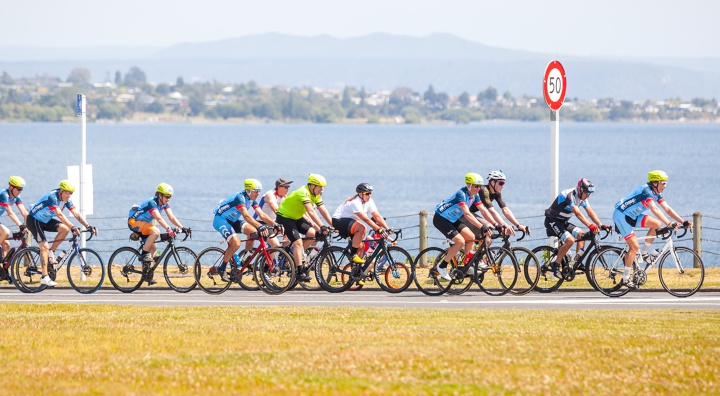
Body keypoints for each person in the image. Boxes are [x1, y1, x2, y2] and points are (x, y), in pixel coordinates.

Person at [613, 170, 690, 289]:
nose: (665, 186)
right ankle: (625, 278)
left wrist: (682, 221)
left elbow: (667, 209)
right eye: (663, 183)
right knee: (634, 247)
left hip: (632, 216)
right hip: (621, 216)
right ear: (655, 183)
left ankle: (644, 253)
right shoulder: (646, 191)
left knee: (656, 224)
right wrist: (669, 223)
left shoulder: (656, 193)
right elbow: (654, 209)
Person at [26, 180, 97, 287]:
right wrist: (72, 226)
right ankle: (44, 277)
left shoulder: (66, 200)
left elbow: (76, 213)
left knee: (64, 229)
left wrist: (88, 225)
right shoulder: (52, 197)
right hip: (34, 220)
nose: (69, 195)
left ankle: (51, 252)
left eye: (71, 193)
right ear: (61, 191)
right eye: (67, 193)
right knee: (44, 246)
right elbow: (59, 214)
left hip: (45, 220)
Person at [543, 178, 610, 279]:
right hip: (552, 221)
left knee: (581, 235)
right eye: (587, 193)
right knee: (570, 240)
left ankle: (578, 262)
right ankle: (555, 265)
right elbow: (578, 214)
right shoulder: (570, 195)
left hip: (562, 222)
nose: (588, 196)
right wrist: (590, 225)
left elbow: (590, 212)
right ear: (580, 189)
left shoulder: (582, 198)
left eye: (589, 193)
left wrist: (600, 225)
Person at [213, 179, 277, 281]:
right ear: (249, 190)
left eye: (259, 191)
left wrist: (275, 224)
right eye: (256, 191)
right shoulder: (240, 198)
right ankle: (222, 268)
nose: (258, 193)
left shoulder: (251, 199)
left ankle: (246, 258)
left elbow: (262, 215)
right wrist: (259, 226)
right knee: (236, 243)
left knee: (253, 232)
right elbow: (246, 216)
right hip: (221, 219)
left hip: (233, 220)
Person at [433, 173, 493, 281]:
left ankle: (467, 265)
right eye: (476, 186)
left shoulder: (475, 195)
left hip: (452, 219)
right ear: (468, 184)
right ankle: (442, 266)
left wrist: (495, 225)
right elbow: (467, 214)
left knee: (470, 236)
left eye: (480, 186)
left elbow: (483, 210)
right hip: (441, 219)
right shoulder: (461, 194)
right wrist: (481, 227)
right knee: (460, 241)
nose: (478, 189)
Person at [332, 183, 392, 286]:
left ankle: (356, 274)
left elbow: (377, 216)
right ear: (360, 194)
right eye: (367, 194)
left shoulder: (369, 201)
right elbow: (366, 219)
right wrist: (379, 229)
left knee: (361, 246)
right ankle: (352, 255)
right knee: (362, 228)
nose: (369, 196)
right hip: (339, 220)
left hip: (350, 222)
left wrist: (387, 228)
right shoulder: (356, 202)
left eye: (370, 194)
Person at [275, 173, 332, 281]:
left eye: (323, 187)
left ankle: (294, 254)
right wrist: (322, 226)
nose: (322, 190)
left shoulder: (315, 195)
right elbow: (310, 211)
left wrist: (333, 225)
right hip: (284, 217)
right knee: (298, 243)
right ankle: (299, 272)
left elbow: (322, 210)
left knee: (312, 234)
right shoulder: (303, 192)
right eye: (320, 187)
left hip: (296, 217)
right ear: (312, 186)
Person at [128, 183, 187, 284]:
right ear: (160, 195)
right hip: (134, 222)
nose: (168, 199)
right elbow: (158, 218)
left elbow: (171, 217)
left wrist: (182, 227)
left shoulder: (164, 204)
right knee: (156, 231)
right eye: (167, 197)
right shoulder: (152, 203)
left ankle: (146, 275)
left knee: (153, 248)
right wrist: (169, 229)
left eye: (170, 197)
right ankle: (143, 254)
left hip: (145, 224)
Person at [478, 170, 529, 235]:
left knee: (489, 237)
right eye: (501, 183)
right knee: (487, 232)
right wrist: (505, 225)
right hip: (466, 213)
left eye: (504, 183)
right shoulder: (483, 190)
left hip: (472, 213)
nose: (503, 186)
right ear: (493, 182)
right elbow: (491, 211)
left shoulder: (496, 192)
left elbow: (505, 210)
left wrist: (518, 225)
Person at [255, 177, 293, 245]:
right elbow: (276, 210)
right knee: (275, 245)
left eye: (289, 187)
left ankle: (282, 254)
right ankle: (272, 252)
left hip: (272, 222)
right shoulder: (270, 194)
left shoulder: (285, 198)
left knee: (290, 231)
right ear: (279, 187)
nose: (288, 189)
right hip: (261, 222)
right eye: (286, 187)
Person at [1, 176, 29, 262]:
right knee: (5, 232)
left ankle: (3, 272)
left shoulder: (16, 196)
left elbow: (24, 212)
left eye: (22, 189)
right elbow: (10, 212)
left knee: (6, 245)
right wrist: (20, 225)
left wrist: (35, 222)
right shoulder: (3, 194)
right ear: (11, 187)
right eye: (19, 189)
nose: (20, 191)